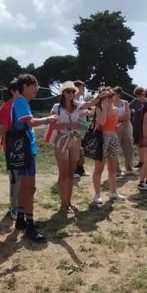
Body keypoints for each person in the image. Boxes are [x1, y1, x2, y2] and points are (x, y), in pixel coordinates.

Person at [12, 73, 57, 241]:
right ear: (25, 86)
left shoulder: (21, 102)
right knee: (30, 188)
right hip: (25, 150)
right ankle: (30, 225)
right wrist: (48, 119)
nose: (37, 89)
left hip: (25, 149)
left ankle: (21, 218)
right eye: (34, 85)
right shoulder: (22, 102)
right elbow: (29, 123)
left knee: (26, 187)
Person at [50, 81, 85, 213]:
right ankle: (63, 203)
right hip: (62, 140)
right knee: (63, 174)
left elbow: (90, 106)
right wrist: (70, 126)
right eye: (68, 91)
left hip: (75, 140)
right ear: (63, 93)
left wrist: (101, 97)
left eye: (73, 92)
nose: (71, 94)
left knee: (71, 175)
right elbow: (53, 126)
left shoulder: (78, 106)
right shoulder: (56, 107)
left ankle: (68, 202)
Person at [91, 88, 126, 205]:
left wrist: (118, 125)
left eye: (112, 95)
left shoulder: (116, 109)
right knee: (99, 169)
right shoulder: (99, 108)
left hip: (113, 137)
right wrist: (105, 108)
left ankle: (113, 192)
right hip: (102, 138)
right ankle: (97, 195)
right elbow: (101, 123)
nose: (112, 98)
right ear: (103, 98)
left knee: (113, 168)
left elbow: (113, 124)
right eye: (109, 96)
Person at [0, 79, 21, 219]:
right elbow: (2, 131)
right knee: (15, 179)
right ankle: (14, 207)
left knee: (22, 178)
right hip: (12, 148)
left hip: (23, 147)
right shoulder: (6, 107)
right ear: (13, 91)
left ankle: (19, 205)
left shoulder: (22, 105)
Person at [112, 87, 135, 176]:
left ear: (118, 94)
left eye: (114, 94)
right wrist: (120, 118)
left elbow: (128, 116)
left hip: (126, 126)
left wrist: (119, 119)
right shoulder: (110, 104)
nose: (112, 96)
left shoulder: (125, 103)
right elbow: (112, 118)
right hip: (115, 128)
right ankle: (117, 169)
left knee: (129, 147)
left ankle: (129, 168)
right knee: (115, 148)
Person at [73, 80, 89, 178]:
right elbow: (73, 113)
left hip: (83, 125)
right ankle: (74, 170)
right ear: (77, 88)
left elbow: (87, 109)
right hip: (76, 126)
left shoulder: (81, 99)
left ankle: (81, 170)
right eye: (82, 87)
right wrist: (84, 112)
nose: (84, 89)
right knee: (75, 148)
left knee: (81, 148)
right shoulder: (72, 99)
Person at [130, 86, 147, 169]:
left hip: (145, 127)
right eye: (137, 96)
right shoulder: (134, 102)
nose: (139, 97)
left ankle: (145, 161)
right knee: (138, 144)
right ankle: (141, 161)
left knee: (144, 145)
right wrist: (132, 112)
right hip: (136, 126)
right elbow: (128, 109)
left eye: (140, 95)